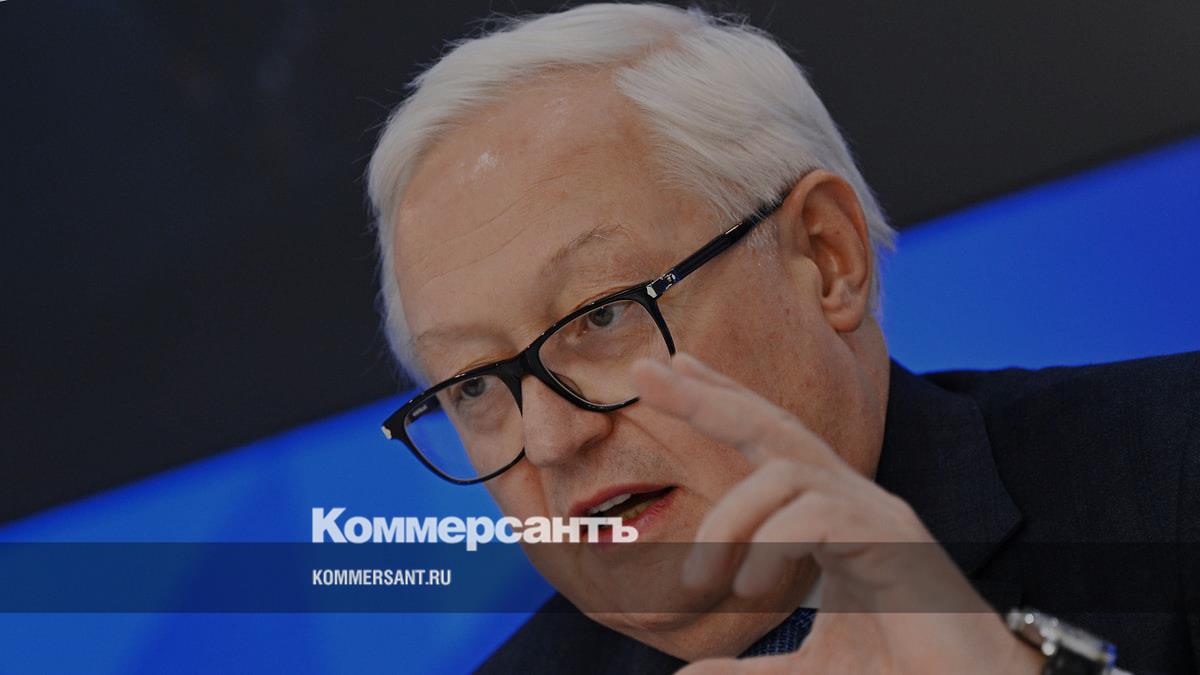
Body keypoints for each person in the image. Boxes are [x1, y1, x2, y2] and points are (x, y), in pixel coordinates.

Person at [366, 4, 1199, 672]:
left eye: (603, 314)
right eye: (473, 384)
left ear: (826, 257)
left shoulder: (1173, 465)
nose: (553, 438)